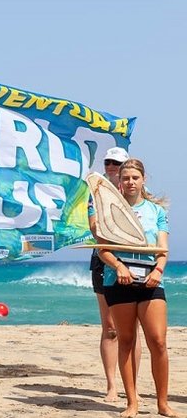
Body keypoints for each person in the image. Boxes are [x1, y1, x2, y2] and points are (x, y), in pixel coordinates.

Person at [96, 157, 176, 418]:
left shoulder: (157, 212)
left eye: (135, 178)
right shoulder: (110, 209)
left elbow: (162, 249)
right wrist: (118, 267)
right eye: (125, 178)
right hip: (118, 281)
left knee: (158, 341)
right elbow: (102, 249)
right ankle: (132, 402)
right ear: (119, 180)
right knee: (126, 341)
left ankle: (163, 403)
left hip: (150, 280)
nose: (130, 182)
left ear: (143, 180)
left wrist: (158, 271)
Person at [87, 146, 140, 401]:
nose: (111, 166)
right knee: (109, 326)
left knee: (131, 327)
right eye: (108, 162)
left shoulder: (135, 193)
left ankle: (133, 386)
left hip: (135, 260)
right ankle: (111, 385)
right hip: (103, 259)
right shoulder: (95, 194)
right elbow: (96, 228)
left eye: (117, 163)